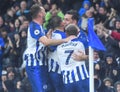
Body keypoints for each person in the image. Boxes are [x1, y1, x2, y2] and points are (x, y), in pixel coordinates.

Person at [23, 4, 75, 92]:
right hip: (34, 64)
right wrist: (65, 40)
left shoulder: (40, 27)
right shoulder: (34, 26)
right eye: (44, 11)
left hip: (42, 63)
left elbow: (46, 43)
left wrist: (48, 36)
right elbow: (46, 42)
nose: (46, 13)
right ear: (40, 14)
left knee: (47, 89)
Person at [57, 24, 89, 92]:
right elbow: (93, 55)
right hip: (81, 77)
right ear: (77, 33)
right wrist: (85, 57)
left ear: (66, 33)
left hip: (67, 80)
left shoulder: (59, 47)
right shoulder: (81, 42)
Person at [47, 16, 66, 92]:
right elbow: (51, 47)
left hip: (53, 68)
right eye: (63, 20)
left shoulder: (52, 34)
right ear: (61, 23)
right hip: (58, 69)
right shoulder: (60, 35)